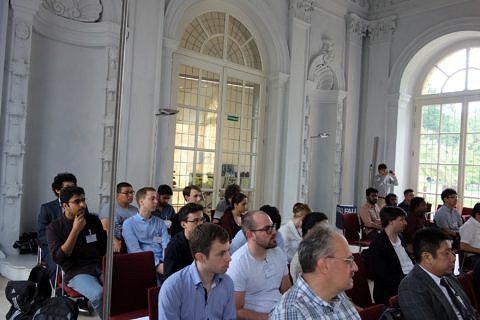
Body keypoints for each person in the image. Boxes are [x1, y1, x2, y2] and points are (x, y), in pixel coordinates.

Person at [269, 223, 360, 319]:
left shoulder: (336, 295)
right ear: (324, 265)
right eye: (348, 261)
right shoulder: (292, 312)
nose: (355, 267)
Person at [46, 186, 106, 318]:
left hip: (99, 266)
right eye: (77, 202)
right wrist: (75, 230)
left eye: (84, 200)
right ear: (65, 205)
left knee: (119, 289)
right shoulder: (54, 227)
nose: (82, 205)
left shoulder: (93, 220)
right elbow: (59, 258)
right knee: (99, 294)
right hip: (76, 272)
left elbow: (104, 247)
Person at [398, 228, 480, 320]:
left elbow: (471, 312)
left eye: (451, 251)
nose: (453, 258)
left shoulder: (449, 277)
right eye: (446, 253)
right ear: (427, 257)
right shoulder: (411, 287)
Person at [158, 223, 235, 319]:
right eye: (221, 253)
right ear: (200, 257)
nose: (229, 258)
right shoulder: (172, 288)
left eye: (228, 251)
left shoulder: (227, 283)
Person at [227, 211, 291, 319]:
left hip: (282, 313)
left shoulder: (278, 253)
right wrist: (267, 317)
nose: (274, 232)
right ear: (250, 234)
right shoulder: (238, 263)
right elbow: (236, 310)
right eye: (267, 229)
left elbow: (287, 291)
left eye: (273, 227)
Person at [37, 172, 77, 286]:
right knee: (56, 264)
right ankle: (59, 294)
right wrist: (58, 243)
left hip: (75, 245)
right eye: (68, 188)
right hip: (53, 247)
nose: (72, 190)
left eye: (74, 187)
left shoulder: (79, 205)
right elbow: (41, 234)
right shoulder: (47, 208)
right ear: (57, 190)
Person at [369, 206, 413, 305]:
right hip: (391, 291)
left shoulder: (400, 238)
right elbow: (385, 277)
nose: (405, 223)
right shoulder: (378, 245)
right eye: (401, 220)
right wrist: (411, 279)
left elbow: (407, 262)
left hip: (408, 281)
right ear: (390, 221)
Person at [122, 187, 171, 275]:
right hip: (142, 264)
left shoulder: (160, 222)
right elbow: (135, 251)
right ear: (141, 202)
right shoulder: (129, 224)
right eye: (152, 198)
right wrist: (157, 265)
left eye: (156, 198)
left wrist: (167, 262)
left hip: (163, 263)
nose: (156, 201)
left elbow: (166, 245)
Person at [163, 203, 205, 279]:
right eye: (195, 221)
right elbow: (169, 278)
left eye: (202, 220)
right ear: (183, 224)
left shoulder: (207, 241)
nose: (200, 224)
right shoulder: (174, 246)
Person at [289, 211, 329, 282]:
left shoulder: (323, 252)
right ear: (310, 232)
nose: (328, 233)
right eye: (324, 229)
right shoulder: (300, 260)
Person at [98, 182, 137, 253]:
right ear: (117, 195)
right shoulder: (108, 208)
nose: (130, 195)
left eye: (132, 192)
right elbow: (105, 228)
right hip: (113, 243)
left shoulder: (135, 210)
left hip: (131, 243)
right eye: (126, 193)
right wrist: (115, 241)